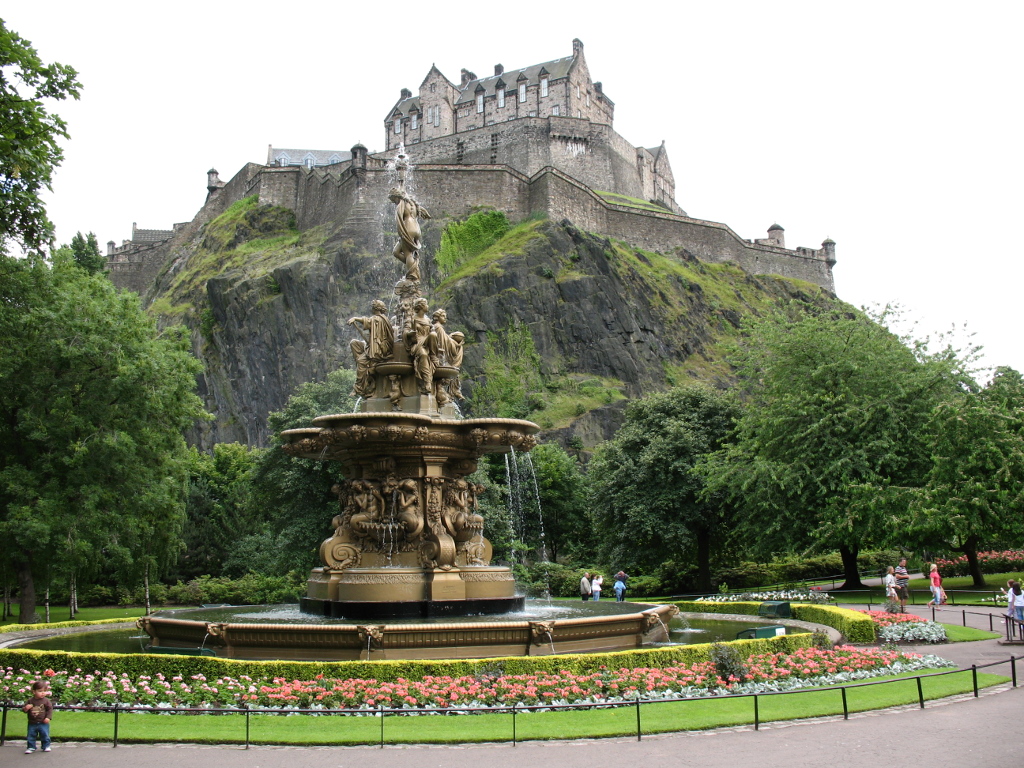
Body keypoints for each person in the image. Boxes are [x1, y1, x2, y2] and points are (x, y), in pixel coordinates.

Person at [23, 680, 53, 753]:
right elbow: (24, 709)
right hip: (32, 722)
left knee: (45, 734)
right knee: (31, 735)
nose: (43, 693)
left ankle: (46, 746)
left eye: (44, 691)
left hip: (43, 722)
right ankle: (31, 747)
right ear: (34, 692)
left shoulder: (46, 701)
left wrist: (48, 717)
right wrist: (26, 708)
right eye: (40, 691)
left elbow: (49, 709)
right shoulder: (30, 700)